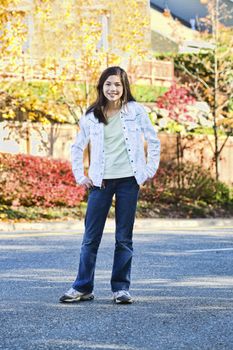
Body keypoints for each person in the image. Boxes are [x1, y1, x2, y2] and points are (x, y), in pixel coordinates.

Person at [59, 66, 160, 304]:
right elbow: (77, 147)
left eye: (117, 84)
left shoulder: (135, 111)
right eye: (108, 84)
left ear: (124, 87)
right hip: (99, 182)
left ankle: (121, 288)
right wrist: (79, 175)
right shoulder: (92, 115)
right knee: (90, 237)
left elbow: (153, 140)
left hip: (128, 182)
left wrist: (147, 172)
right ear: (101, 87)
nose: (112, 89)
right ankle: (83, 287)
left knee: (124, 237)